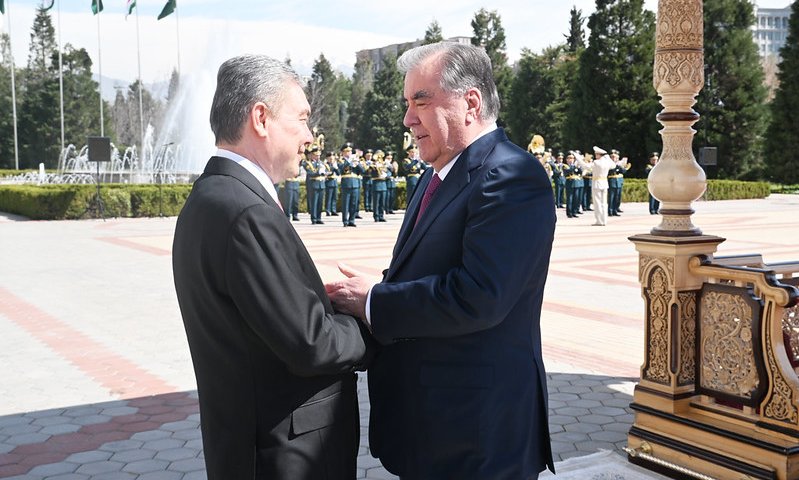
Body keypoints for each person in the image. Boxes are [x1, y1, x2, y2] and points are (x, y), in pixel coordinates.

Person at [326, 42, 555, 479]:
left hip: (477, 434)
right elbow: (436, 271)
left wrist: (375, 300)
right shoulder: (437, 174)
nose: (408, 119)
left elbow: (480, 296)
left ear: (470, 102)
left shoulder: (510, 176)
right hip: (435, 429)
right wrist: (381, 288)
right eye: (406, 104)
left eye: (421, 101)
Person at [172, 54, 373, 480]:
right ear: (260, 118)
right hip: (282, 455)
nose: (310, 136)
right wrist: (371, 317)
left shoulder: (213, 197)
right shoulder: (245, 212)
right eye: (301, 119)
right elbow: (310, 344)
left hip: (251, 445)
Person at [586, 146, 616, 226]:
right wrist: (608, 157)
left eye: (596, 154)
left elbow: (586, 167)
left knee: (597, 203)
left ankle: (599, 221)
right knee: (604, 203)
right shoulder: (607, 162)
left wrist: (578, 158)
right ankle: (604, 220)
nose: (596, 156)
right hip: (604, 183)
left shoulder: (596, 162)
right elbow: (614, 165)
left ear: (599, 155)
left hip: (596, 183)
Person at [324, 151, 340, 217]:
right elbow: (327, 173)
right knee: (329, 197)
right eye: (330, 158)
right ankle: (328, 210)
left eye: (333, 159)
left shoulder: (335, 165)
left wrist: (336, 168)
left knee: (334, 197)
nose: (331, 160)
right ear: (327, 158)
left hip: (334, 182)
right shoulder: (325, 165)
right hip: (329, 182)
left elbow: (339, 173)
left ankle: (333, 210)